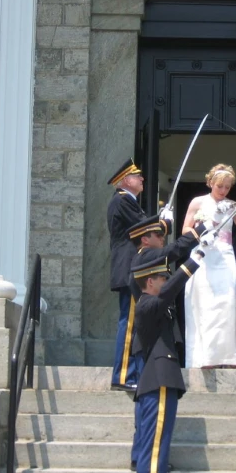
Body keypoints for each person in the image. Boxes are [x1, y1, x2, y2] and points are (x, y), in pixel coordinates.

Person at [125, 214, 211, 472]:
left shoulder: (156, 304)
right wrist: (191, 263)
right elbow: (168, 291)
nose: (165, 280)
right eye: (162, 278)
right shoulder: (148, 302)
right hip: (159, 378)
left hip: (164, 377)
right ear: (150, 282)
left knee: (158, 441)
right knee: (155, 443)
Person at [107, 158, 173, 392]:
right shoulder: (123, 200)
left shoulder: (129, 202)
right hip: (129, 268)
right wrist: (163, 222)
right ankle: (123, 375)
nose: (142, 179)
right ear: (125, 180)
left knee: (134, 323)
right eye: (137, 176)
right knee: (130, 324)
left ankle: (132, 372)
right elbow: (142, 228)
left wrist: (162, 221)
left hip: (133, 269)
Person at [181, 164, 236, 368]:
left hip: (225, 257)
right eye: (220, 186)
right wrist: (202, 230)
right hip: (204, 255)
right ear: (210, 182)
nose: (223, 191)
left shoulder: (231, 205)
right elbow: (185, 229)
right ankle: (205, 358)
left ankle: (227, 358)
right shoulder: (198, 202)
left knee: (226, 304)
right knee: (205, 305)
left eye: (227, 187)